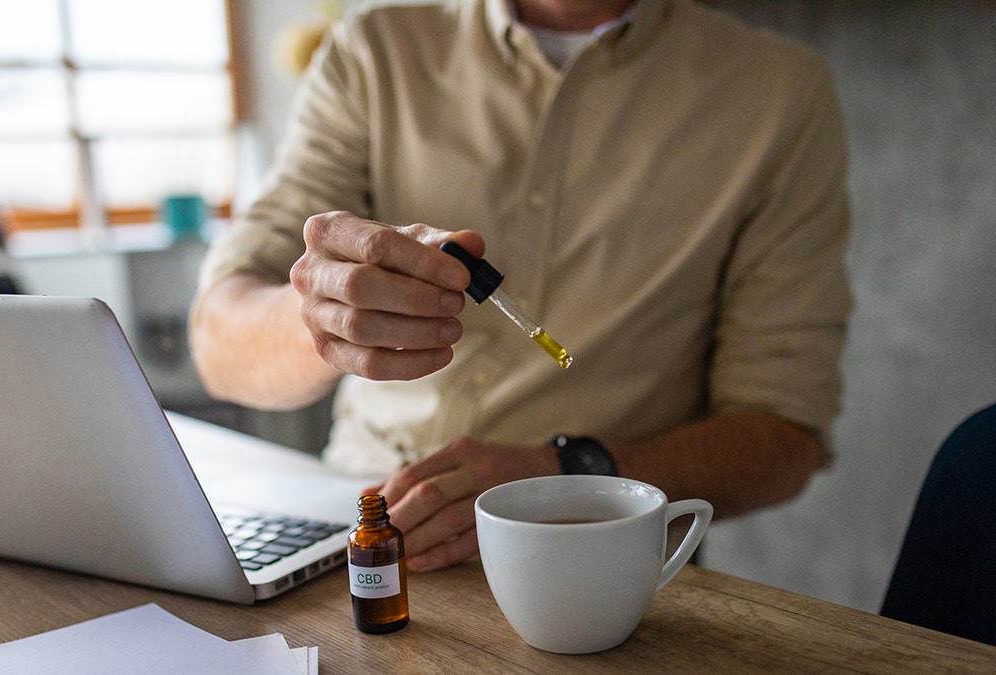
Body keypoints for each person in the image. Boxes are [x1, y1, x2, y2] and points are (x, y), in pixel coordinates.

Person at [190, 0, 852, 573]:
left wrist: (574, 477)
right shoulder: (373, 55)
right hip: (363, 530)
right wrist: (324, 320)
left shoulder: (778, 93)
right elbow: (219, 342)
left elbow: (785, 438)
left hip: (600, 562)